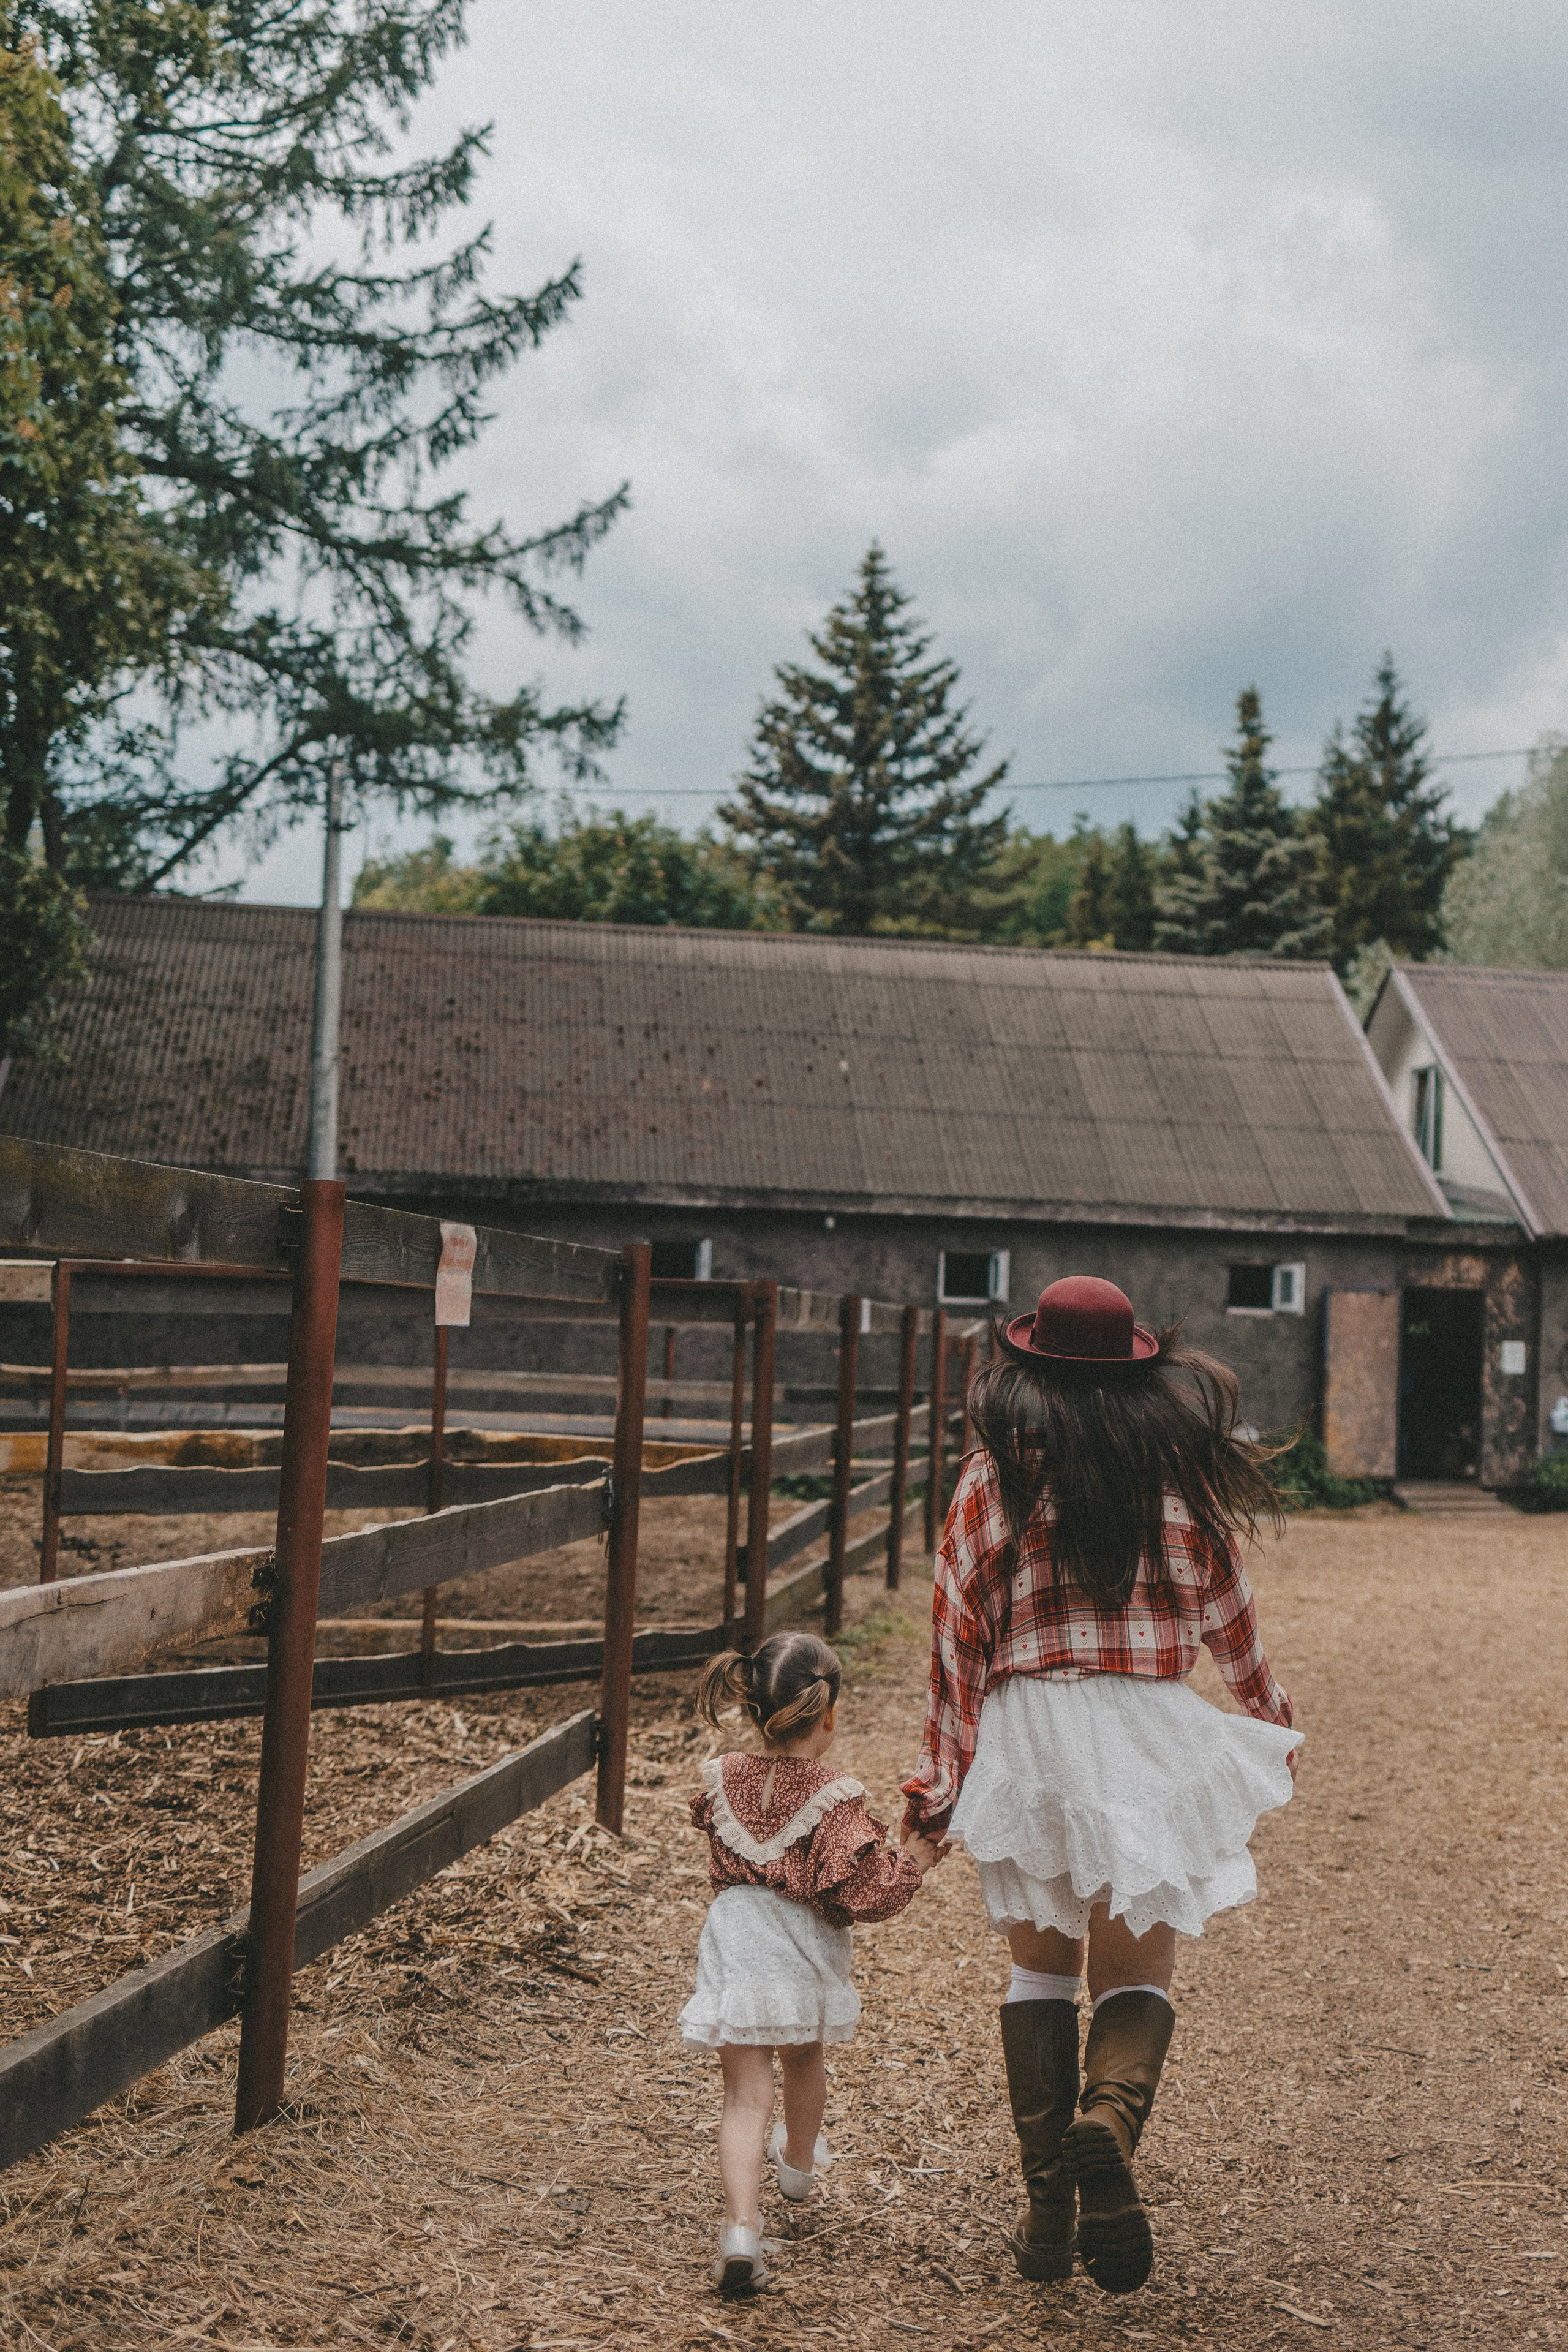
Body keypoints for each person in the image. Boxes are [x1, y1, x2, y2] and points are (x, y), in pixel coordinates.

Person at [901, 1276, 1300, 2298]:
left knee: (1039, 1972)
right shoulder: (1178, 1474)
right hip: (1146, 1732)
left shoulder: (990, 1482)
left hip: (1031, 1734)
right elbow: (1231, 1612)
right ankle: (1107, 2123)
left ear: (1028, 1368)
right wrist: (1266, 1715)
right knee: (1137, 1972)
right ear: (1140, 1367)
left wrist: (939, 1791)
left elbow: (956, 1639)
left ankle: (1046, 2218)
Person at [680, 1630, 946, 2293]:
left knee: (744, 2096)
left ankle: (741, 2229)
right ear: (826, 1715)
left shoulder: (723, 1778)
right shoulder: (834, 1796)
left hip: (735, 1935)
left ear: (752, 1710)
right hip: (797, 1943)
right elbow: (862, 1894)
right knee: (802, 2057)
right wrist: (910, 1860)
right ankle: (797, 2168)